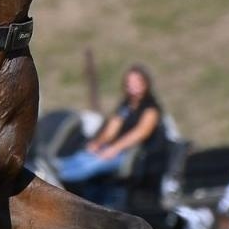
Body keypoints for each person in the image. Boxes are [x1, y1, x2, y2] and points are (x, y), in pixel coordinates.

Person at [53, 65, 169, 207]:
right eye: (129, 83)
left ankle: (59, 178)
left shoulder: (150, 109)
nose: (132, 86)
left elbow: (140, 133)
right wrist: (98, 143)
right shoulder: (125, 106)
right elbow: (112, 128)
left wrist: (114, 148)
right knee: (86, 155)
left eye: (136, 82)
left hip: (135, 156)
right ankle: (56, 167)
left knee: (93, 163)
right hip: (115, 149)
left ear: (145, 83)